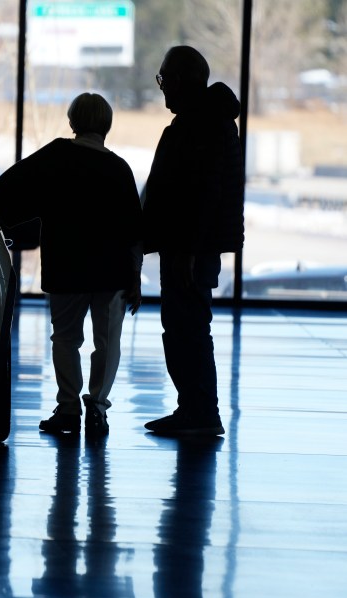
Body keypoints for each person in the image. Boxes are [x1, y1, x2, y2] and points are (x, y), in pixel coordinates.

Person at [0, 92, 142, 436]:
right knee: (107, 341)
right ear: (107, 126)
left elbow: (10, 187)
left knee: (65, 339)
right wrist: (135, 278)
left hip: (67, 265)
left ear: (72, 121)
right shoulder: (120, 169)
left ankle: (67, 408)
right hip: (111, 271)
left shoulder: (56, 156)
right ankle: (97, 407)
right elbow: (133, 232)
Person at [142, 46, 245, 436]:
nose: (162, 86)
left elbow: (202, 195)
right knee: (187, 327)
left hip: (189, 249)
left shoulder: (199, 127)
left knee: (187, 329)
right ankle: (195, 409)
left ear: (181, 81)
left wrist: (189, 249)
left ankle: (199, 412)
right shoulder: (209, 122)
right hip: (191, 247)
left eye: (164, 78)